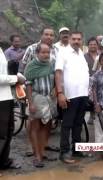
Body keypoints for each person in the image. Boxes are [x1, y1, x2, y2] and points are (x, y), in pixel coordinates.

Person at [20, 26, 58, 156]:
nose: (49, 37)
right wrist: (23, 89)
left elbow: (56, 72)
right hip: (34, 91)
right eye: (46, 34)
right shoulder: (31, 48)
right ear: (41, 35)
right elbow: (24, 67)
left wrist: (56, 89)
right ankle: (32, 148)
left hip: (49, 93)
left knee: (47, 122)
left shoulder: (56, 50)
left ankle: (43, 147)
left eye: (51, 35)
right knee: (33, 121)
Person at [55, 31, 90, 164]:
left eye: (79, 39)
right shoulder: (63, 53)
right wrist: (60, 93)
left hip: (82, 95)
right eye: (74, 39)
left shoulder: (81, 54)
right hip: (69, 95)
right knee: (67, 124)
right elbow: (58, 73)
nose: (76, 41)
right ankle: (64, 153)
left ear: (82, 40)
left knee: (78, 123)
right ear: (69, 40)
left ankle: (77, 150)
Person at [24, 43, 57, 168]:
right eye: (43, 52)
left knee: (47, 126)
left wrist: (55, 90)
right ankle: (37, 156)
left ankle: (42, 152)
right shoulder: (31, 66)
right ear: (37, 53)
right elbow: (28, 85)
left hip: (49, 99)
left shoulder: (52, 64)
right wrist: (31, 103)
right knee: (35, 127)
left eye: (47, 52)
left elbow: (56, 79)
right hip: (36, 98)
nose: (46, 55)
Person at [0, 48, 25, 171]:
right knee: (1, 134)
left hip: (7, 96)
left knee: (9, 131)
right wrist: (15, 79)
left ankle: (4, 161)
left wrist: (16, 76)